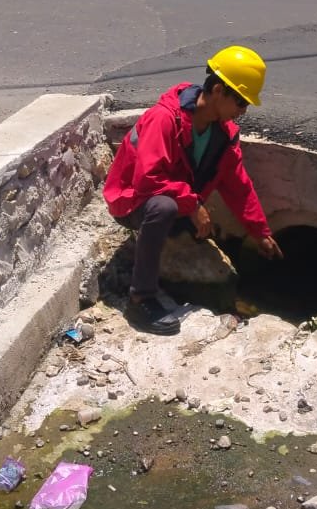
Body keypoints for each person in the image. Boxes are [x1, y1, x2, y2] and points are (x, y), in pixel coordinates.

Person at [103, 46, 284, 335]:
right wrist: (193, 205)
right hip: (132, 199)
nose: (243, 111)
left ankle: (176, 225)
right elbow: (148, 180)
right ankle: (140, 299)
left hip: (174, 196)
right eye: (240, 101)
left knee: (175, 207)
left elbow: (237, 185)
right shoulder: (165, 119)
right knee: (164, 208)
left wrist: (259, 231)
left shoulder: (222, 134)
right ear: (218, 90)